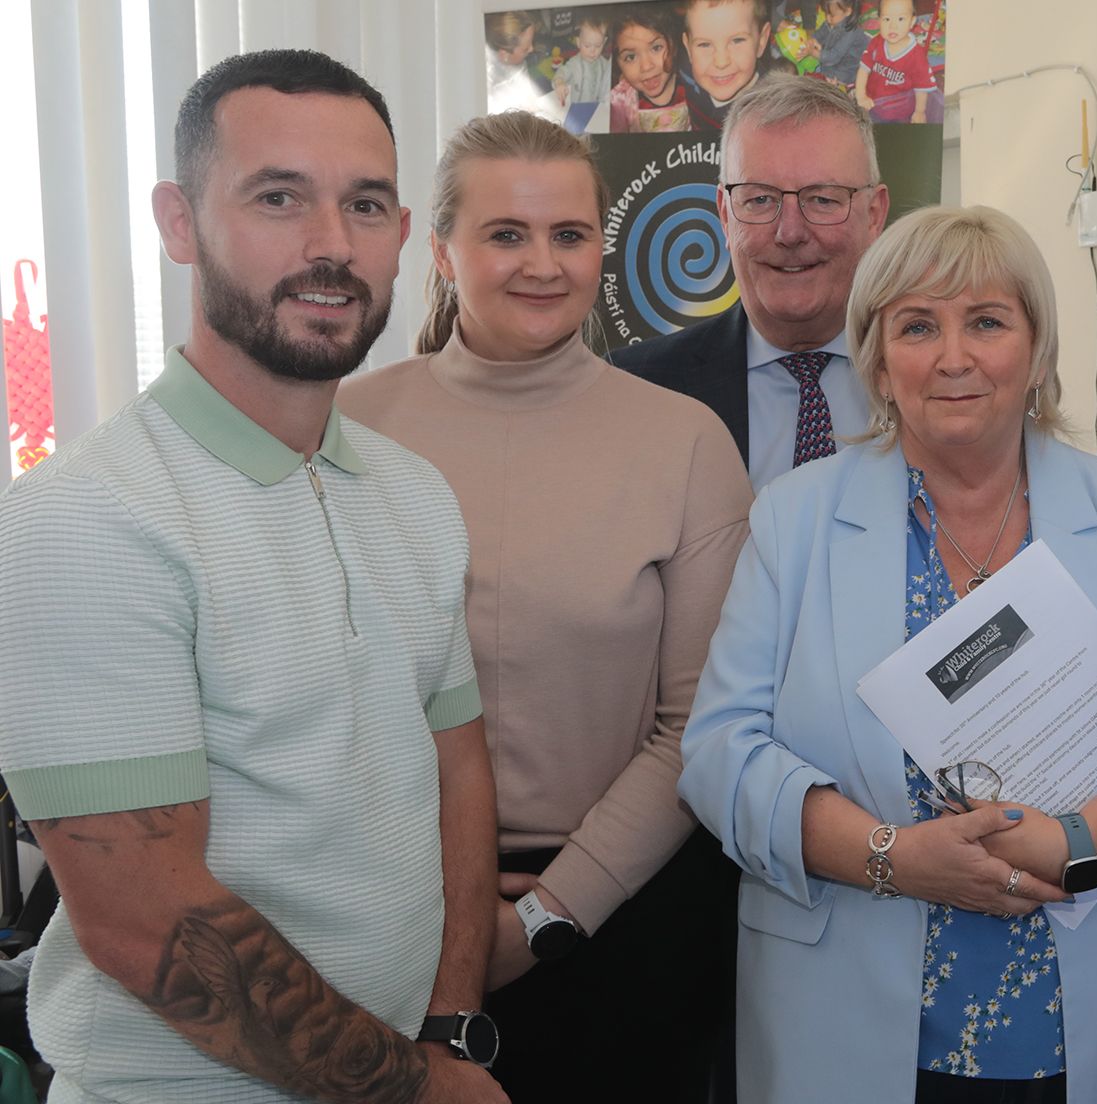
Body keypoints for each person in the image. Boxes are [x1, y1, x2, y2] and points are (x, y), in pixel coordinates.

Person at [0, 50, 506, 1102]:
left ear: (405, 237)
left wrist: (451, 1026)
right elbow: (148, 924)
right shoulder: (80, 523)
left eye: (365, 205)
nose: (331, 245)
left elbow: (454, 773)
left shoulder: (416, 493)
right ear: (179, 222)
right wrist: (414, 1085)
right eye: (278, 197)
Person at [677, 204, 1097, 1103]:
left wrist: (1076, 844)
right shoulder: (794, 520)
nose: (954, 356)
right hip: (845, 1007)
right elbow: (721, 756)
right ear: (876, 359)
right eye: (918, 326)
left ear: (1036, 349)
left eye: (987, 321)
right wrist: (890, 855)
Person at [336, 111, 751, 1103]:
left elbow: (697, 728)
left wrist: (546, 919)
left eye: (569, 235)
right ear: (439, 250)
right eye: (506, 234)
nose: (542, 264)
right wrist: (439, 916)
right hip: (385, 917)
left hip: (622, 926)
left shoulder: (685, 442)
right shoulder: (351, 430)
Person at [609, 75, 885, 492]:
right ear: (724, 213)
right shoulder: (633, 390)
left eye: (823, 199)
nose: (789, 232)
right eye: (759, 199)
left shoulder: (936, 379)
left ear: (875, 215)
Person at [679, 0, 773, 131]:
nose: (721, 62)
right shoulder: (683, 77)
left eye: (737, 40)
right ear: (688, 48)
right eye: (704, 44)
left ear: (761, 41)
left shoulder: (772, 113)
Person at [609, 5, 692, 133]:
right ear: (617, 63)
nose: (646, 66)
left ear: (673, 44)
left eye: (656, 48)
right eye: (630, 57)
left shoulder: (692, 84)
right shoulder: (620, 101)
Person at [855, 0, 933, 124]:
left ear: (912, 21)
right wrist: (860, 95)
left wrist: (919, 112)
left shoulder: (917, 56)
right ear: (879, 20)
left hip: (900, 112)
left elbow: (921, 88)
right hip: (872, 104)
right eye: (886, 19)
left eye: (901, 19)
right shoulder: (876, 42)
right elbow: (863, 69)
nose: (892, 26)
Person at [485, 11, 558, 122]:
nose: (532, 49)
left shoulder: (518, 62)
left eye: (531, 43)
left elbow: (528, 93)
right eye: (525, 48)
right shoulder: (487, 78)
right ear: (504, 54)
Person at [552, 15, 612, 109]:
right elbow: (561, 72)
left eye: (598, 46)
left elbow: (608, 85)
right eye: (587, 46)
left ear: (604, 42)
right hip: (575, 108)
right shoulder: (574, 63)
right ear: (578, 42)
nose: (592, 51)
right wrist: (559, 83)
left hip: (596, 109)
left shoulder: (604, 64)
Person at [804, 0, 867, 88]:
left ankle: (842, 87)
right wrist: (813, 39)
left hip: (844, 73)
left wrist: (814, 53)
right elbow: (821, 32)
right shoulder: (834, 19)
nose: (827, 18)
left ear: (847, 11)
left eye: (831, 15)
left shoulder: (852, 31)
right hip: (830, 60)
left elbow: (833, 57)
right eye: (826, 13)